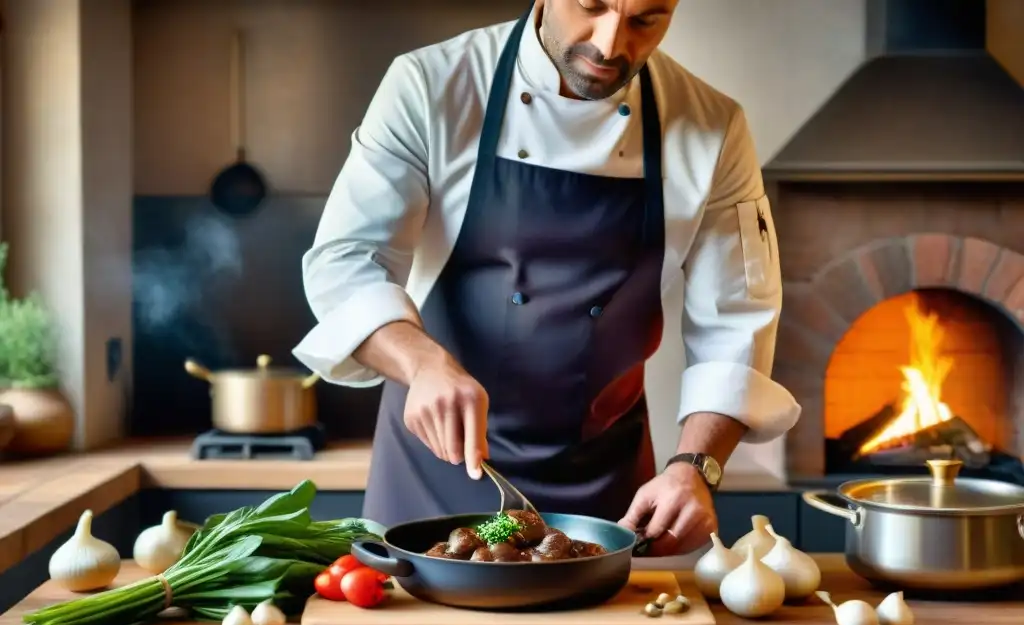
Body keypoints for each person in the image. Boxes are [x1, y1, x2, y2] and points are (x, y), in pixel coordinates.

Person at [293, 0, 801, 556]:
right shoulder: (432, 84)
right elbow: (345, 259)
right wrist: (422, 363)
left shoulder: (711, 127)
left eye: (644, 20)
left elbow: (738, 319)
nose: (610, 45)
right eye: (591, 6)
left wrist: (695, 467)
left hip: (601, 493)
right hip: (435, 473)